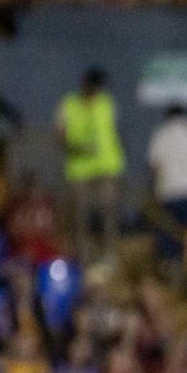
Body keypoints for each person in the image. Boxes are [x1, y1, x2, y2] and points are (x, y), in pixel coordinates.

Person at [56, 68, 125, 263]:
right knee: (80, 215)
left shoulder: (107, 103)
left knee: (109, 212)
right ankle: (83, 257)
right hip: (80, 169)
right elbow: (60, 137)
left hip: (107, 167)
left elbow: (116, 132)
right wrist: (78, 147)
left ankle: (109, 256)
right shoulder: (68, 105)